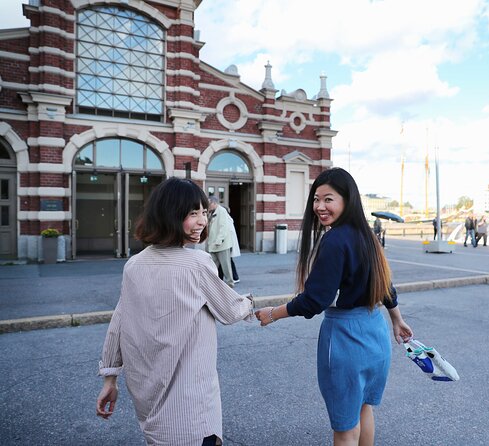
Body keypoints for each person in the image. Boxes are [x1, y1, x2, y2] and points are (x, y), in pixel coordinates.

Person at [255, 168, 413, 446]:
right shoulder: (369, 237)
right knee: (365, 408)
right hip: (376, 334)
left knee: (344, 428)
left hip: (346, 338)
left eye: (328, 199)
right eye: (316, 199)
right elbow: (386, 285)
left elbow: (315, 300)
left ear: (347, 200)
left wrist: (272, 313)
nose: (319, 206)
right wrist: (397, 320)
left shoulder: (335, 240)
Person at [95, 178, 254, 445]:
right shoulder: (198, 263)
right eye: (193, 214)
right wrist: (251, 304)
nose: (202, 221)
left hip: (149, 397)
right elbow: (230, 310)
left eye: (204, 212)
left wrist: (110, 379)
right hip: (190, 400)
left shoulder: (134, 265)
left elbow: (119, 321)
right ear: (170, 215)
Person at [207, 196, 235, 287]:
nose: (208, 205)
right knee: (212, 266)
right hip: (213, 245)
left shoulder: (222, 211)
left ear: (214, 203)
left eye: (209, 203)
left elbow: (223, 227)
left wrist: (218, 241)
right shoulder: (210, 212)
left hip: (221, 245)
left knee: (226, 266)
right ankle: (213, 284)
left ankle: (230, 284)